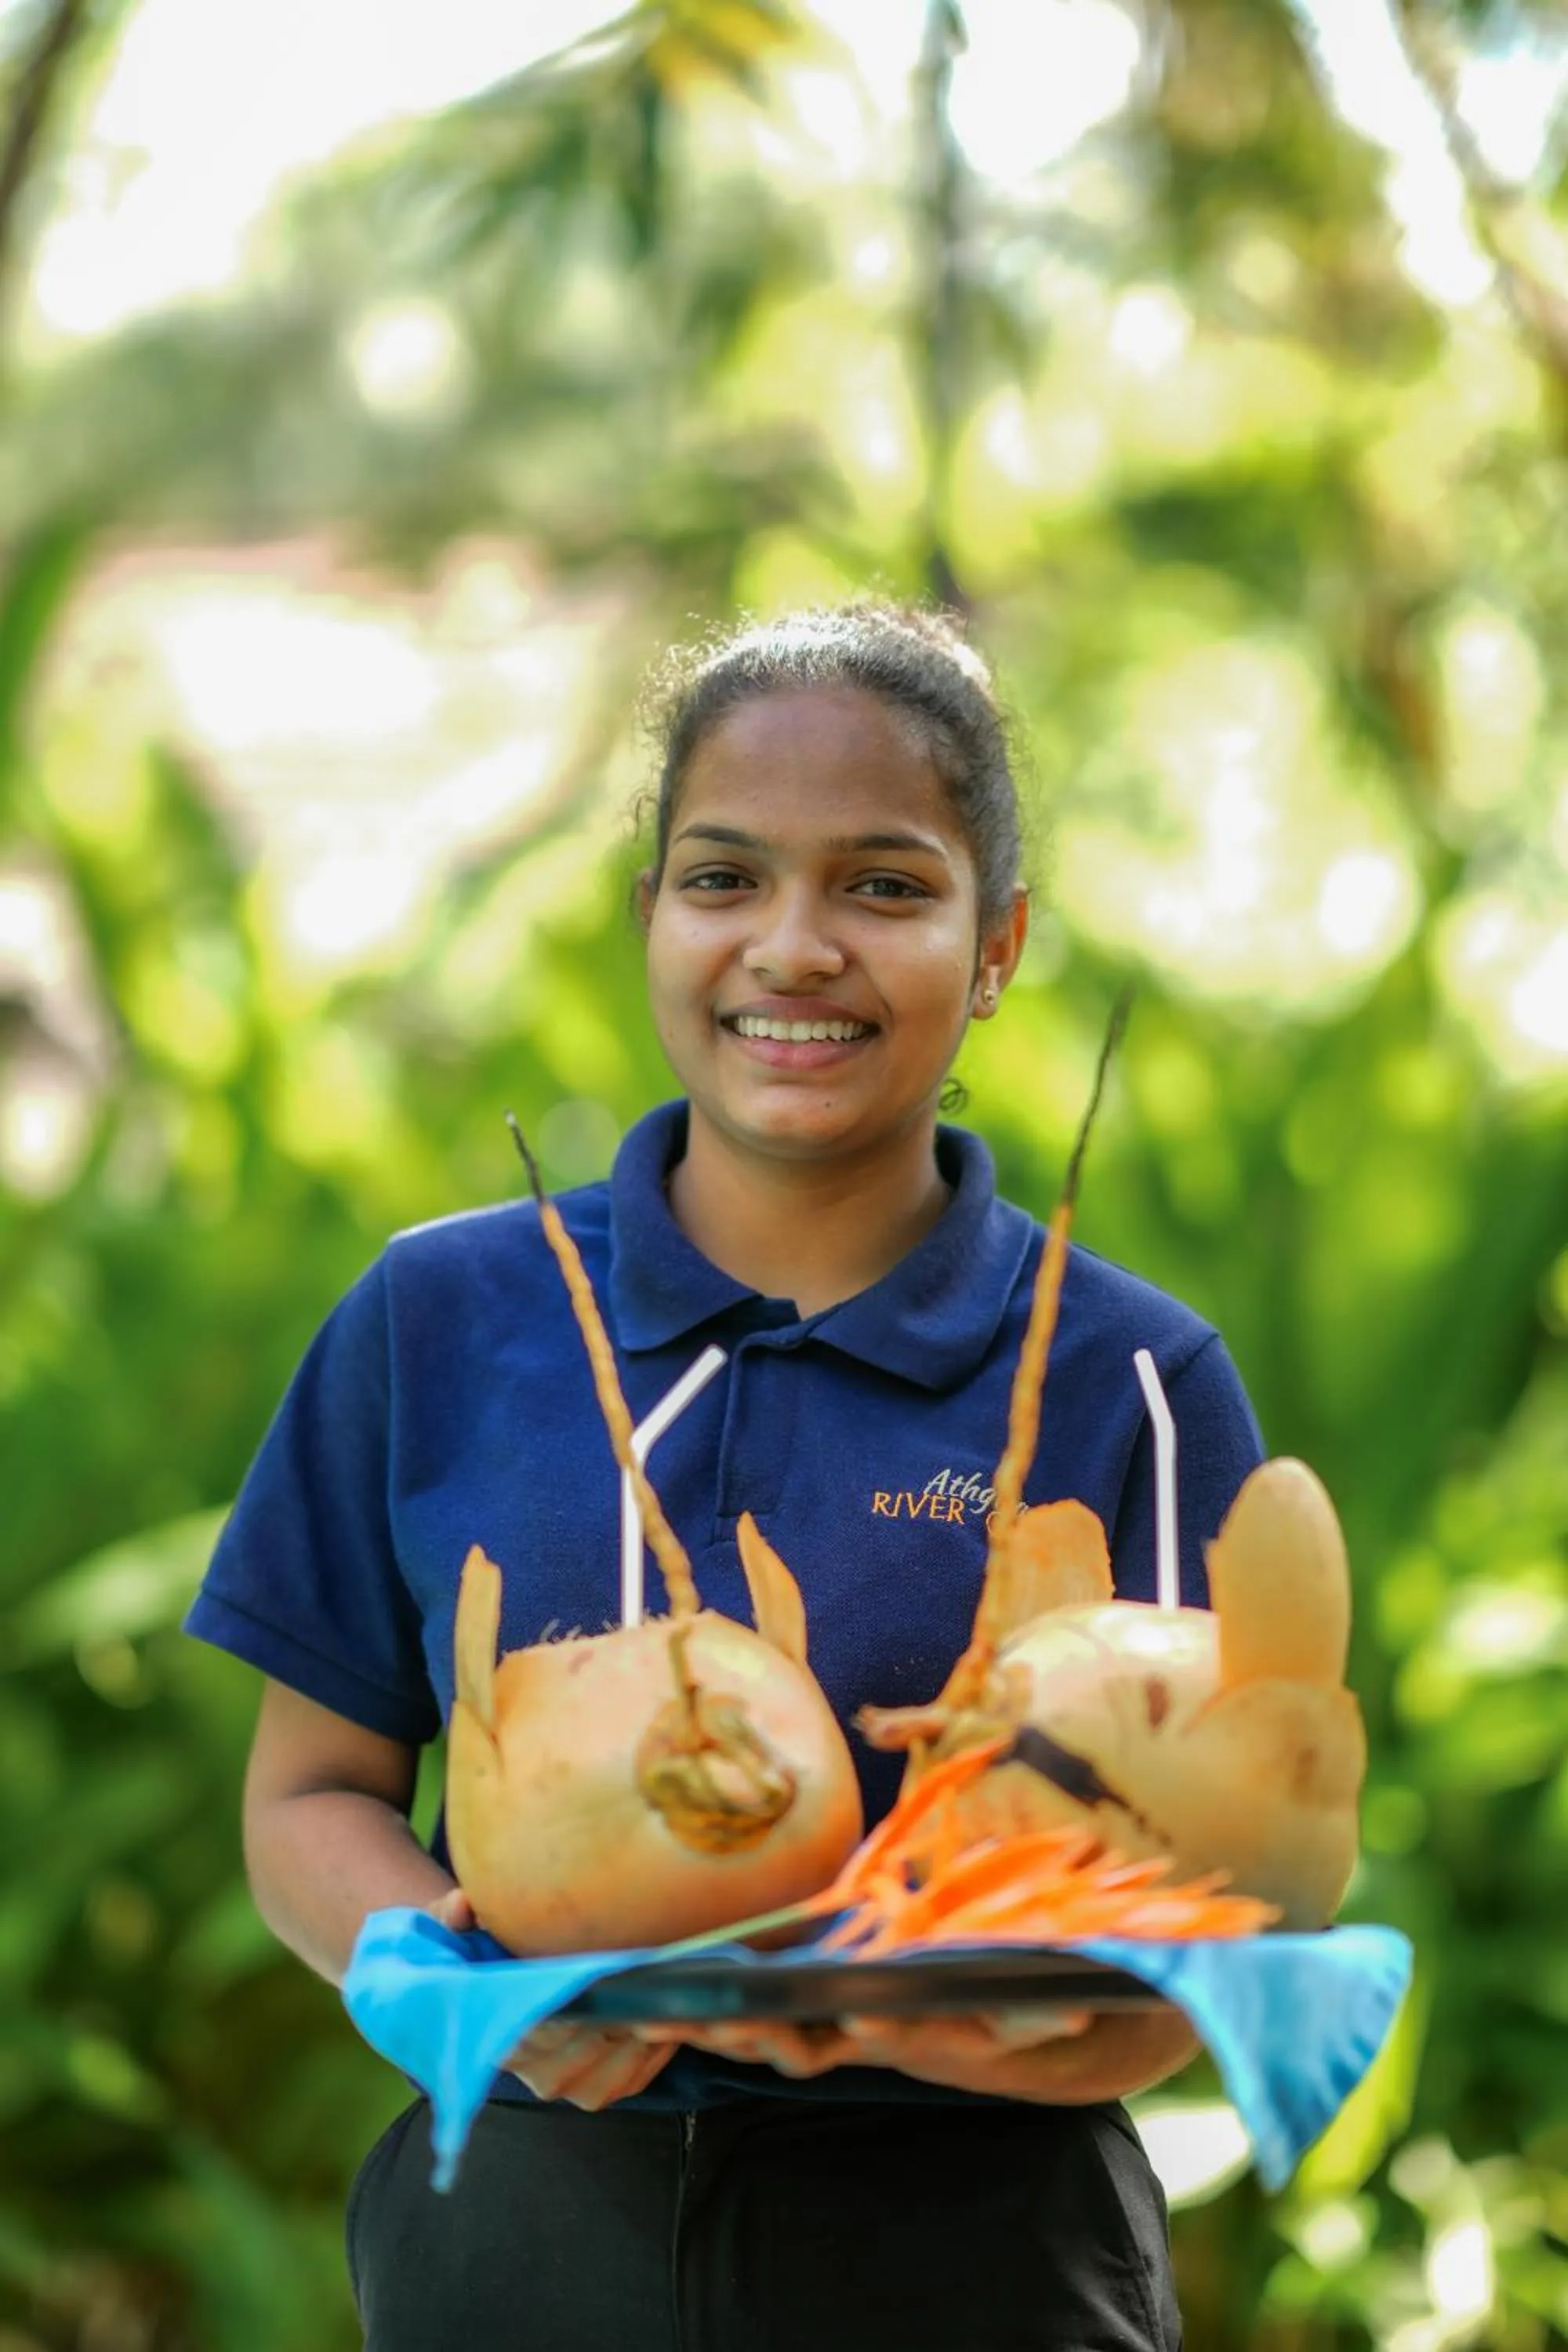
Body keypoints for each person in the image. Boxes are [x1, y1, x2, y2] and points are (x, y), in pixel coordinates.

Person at [186, 604, 1265, 2351]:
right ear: (649, 918)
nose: (795, 945)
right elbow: (308, 1795)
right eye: (723, 877)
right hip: (514, 2240)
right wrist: (437, 1985)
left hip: (977, 2247)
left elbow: (1222, 1904)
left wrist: (1020, 2021)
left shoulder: (1131, 1382)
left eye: (885, 887)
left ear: (996, 946)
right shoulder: (441, 1319)